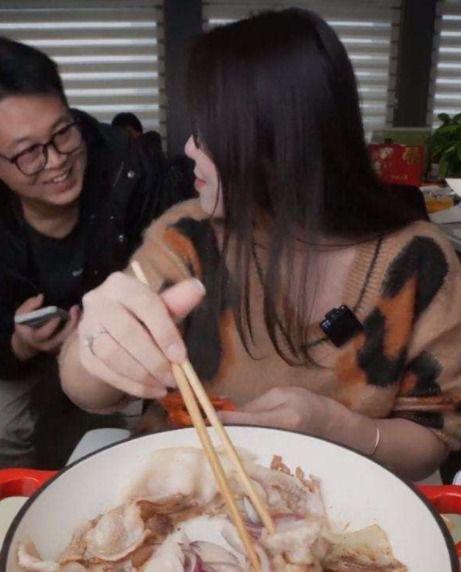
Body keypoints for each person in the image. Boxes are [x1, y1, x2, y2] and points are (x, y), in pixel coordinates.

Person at [60, 9, 461, 481]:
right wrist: (94, 342)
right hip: (179, 489)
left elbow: (433, 440)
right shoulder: (187, 235)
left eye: (207, 134)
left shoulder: (419, 262)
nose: (188, 148)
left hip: (333, 501)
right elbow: (89, 392)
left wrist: (338, 427)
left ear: (280, 143)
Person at [0, 37, 194, 468]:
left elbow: (180, 245)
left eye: (63, 132)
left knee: (134, 441)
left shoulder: (130, 168)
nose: (56, 161)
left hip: (124, 347)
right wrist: (18, 343)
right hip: (16, 357)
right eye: (27, 153)